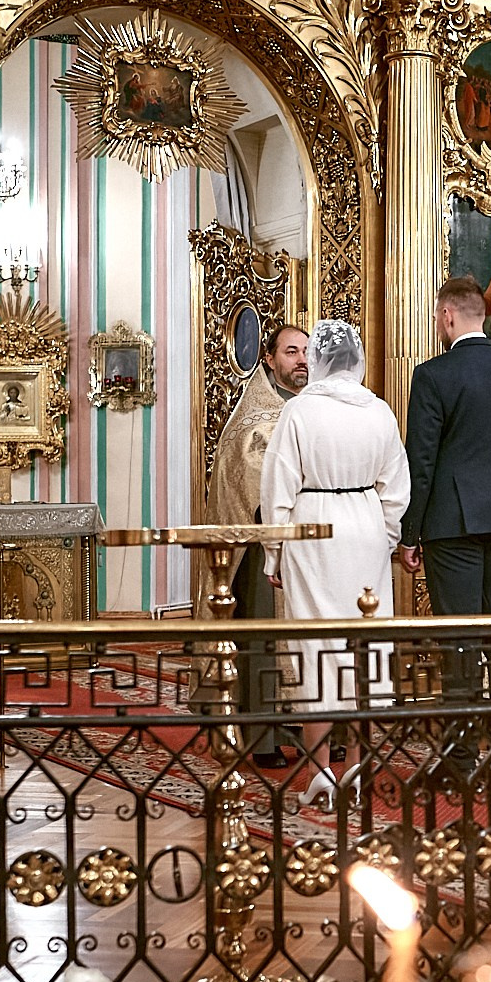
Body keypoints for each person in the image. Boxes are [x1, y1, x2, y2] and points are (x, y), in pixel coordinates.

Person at [260, 319, 410, 807]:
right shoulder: (381, 411)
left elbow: (278, 486)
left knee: (316, 645)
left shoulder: (300, 412)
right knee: (365, 646)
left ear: (320, 360)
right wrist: (383, 537)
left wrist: (274, 551)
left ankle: (322, 771)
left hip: (313, 529)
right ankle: (362, 769)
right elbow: (396, 488)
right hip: (365, 526)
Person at [399, 276, 491, 618]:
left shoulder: (432, 375)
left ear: (448, 315)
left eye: (436, 317)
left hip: (452, 524)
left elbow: (421, 462)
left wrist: (410, 533)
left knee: (459, 635)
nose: (437, 324)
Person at [205, 322, 308, 764]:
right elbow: (254, 482)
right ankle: (263, 735)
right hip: (261, 545)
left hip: (306, 545)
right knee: (266, 636)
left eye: (306, 351)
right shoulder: (256, 419)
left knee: (306, 638)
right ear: (269, 359)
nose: (301, 360)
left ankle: (301, 727)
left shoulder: (312, 408)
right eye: (290, 352)